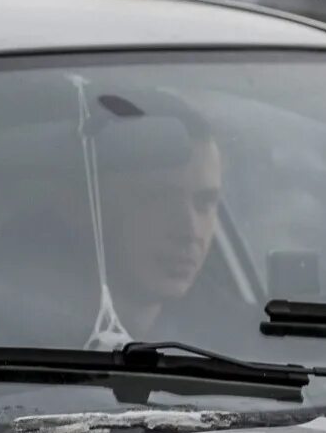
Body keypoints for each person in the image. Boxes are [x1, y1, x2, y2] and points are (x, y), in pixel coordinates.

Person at [83, 91, 225, 342]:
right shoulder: (5, 326)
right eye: (161, 199)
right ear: (95, 203)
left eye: (205, 203)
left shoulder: (241, 346)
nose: (189, 231)